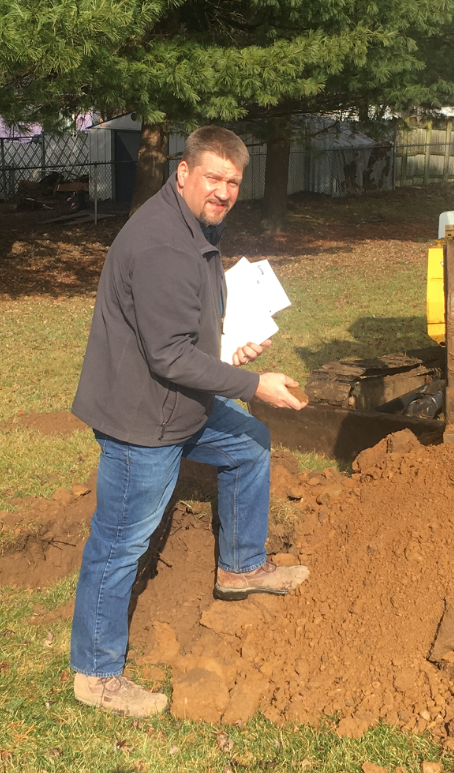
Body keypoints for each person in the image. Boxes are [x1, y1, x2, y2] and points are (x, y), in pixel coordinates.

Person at [69, 125, 308, 718]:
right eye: (213, 177)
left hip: (179, 403)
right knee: (121, 542)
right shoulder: (162, 245)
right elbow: (168, 355)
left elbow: (183, 330)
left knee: (248, 443)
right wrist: (254, 385)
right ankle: (95, 674)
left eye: (233, 181)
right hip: (141, 419)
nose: (224, 191)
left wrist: (227, 346)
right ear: (183, 172)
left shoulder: (192, 225)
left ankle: (240, 567)